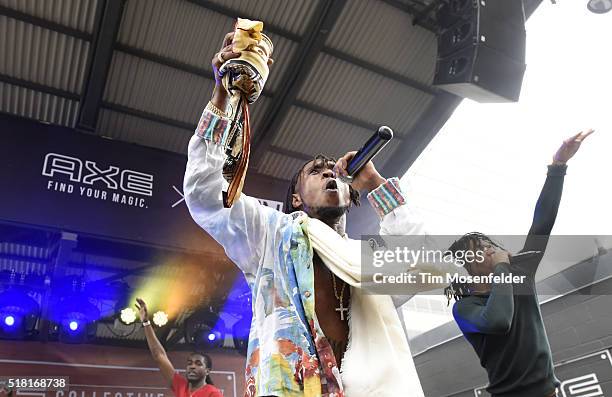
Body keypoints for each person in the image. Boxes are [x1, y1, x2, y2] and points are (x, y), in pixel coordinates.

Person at [183, 31, 450, 397]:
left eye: (334, 172)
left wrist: (373, 183)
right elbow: (204, 193)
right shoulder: (268, 236)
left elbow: (426, 264)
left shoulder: (363, 259)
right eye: (316, 171)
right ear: (295, 198)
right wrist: (222, 96)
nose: (329, 174)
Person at [445, 130, 594, 397]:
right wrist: (502, 267)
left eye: (490, 245)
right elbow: (499, 320)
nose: (489, 249)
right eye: (479, 249)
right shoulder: (465, 308)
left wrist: (558, 166)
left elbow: (542, 224)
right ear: (467, 265)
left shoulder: (520, 274)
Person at [135, 298, 223, 397]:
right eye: (189, 363)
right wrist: (146, 323)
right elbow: (159, 355)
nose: (192, 366)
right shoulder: (181, 386)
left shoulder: (213, 393)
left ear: (207, 371)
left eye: (198, 364)